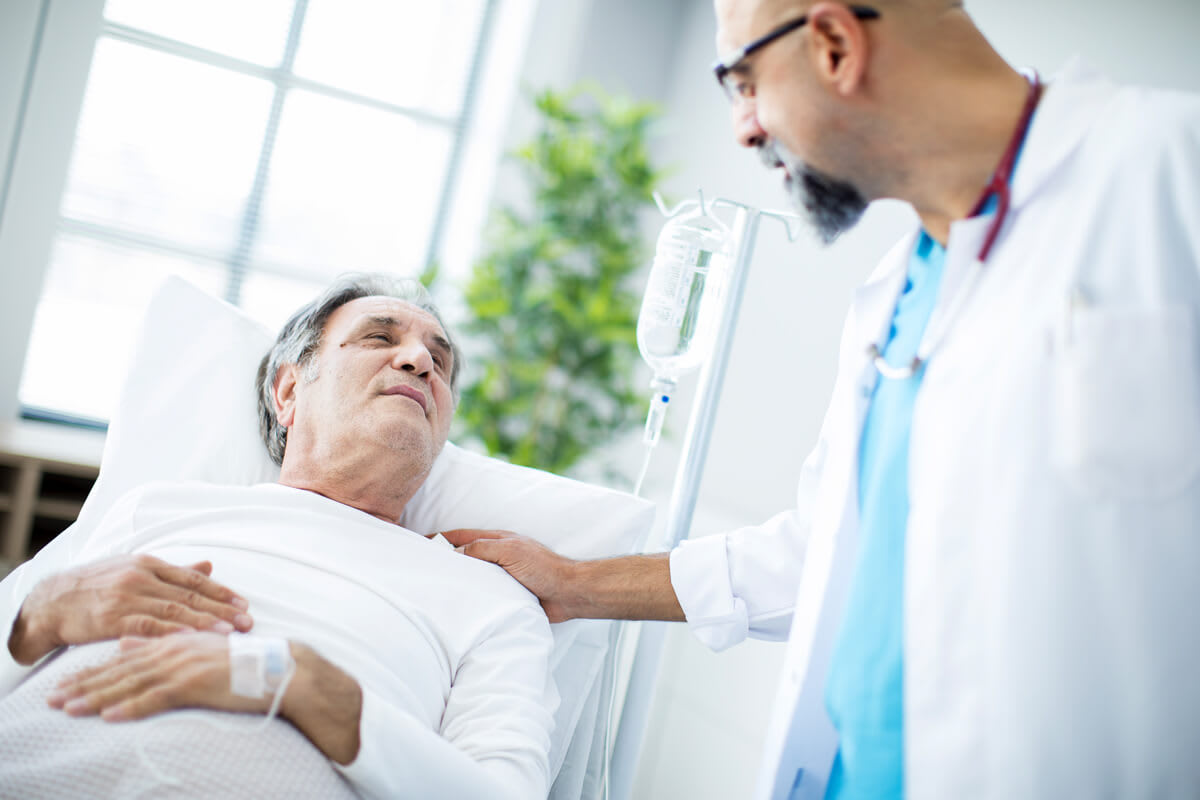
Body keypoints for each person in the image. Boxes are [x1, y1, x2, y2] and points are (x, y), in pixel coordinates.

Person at [443, 1, 1200, 798]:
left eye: (742, 82)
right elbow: (828, 552)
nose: (742, 128)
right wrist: (575, 584)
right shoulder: (896, 294)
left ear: (835, 44)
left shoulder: (1170, 172)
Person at [0, 275, 556, 800]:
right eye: (378, 337)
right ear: (288, 390)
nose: (419, 362)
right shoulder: (158, 509)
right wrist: (34, 619)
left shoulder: (491, 597)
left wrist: (317, 692)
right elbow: (18, 637)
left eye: (439, 361)